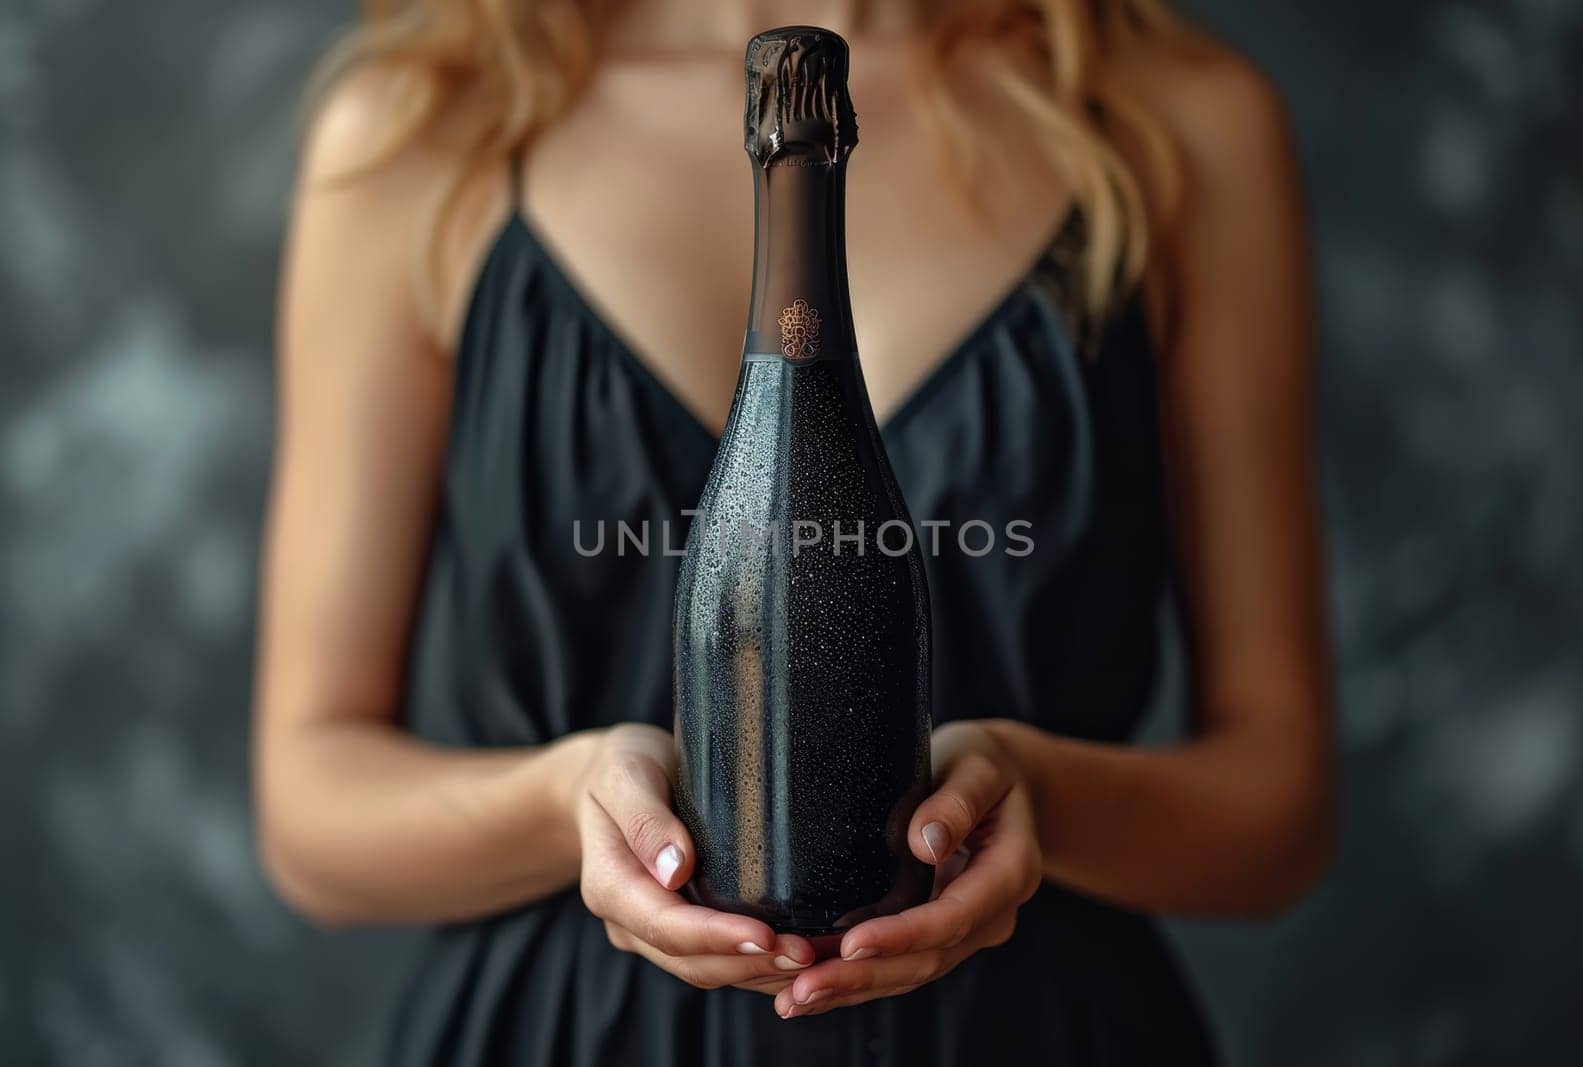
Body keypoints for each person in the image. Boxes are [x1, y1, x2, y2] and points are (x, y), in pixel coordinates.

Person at [253, 1, 1333, 1062]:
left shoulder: (1173, 122)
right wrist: (562, 801)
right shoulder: (425, 129)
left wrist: (1034, 788)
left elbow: (1279, 808)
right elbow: (312, 812)